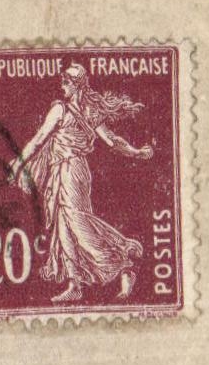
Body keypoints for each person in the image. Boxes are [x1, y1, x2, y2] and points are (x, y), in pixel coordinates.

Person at [8, 61, 153, 305]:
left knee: (77, 222)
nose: (62, 85)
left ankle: (122, 263)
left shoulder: (64, 110)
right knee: (64, 226)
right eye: (63, 81)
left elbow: (40, 139)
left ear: (77, 85)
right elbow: (110, 140)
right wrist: (136, 152)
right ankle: (75, 284)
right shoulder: (83, 110)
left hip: (71, 170)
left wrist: (17, 165)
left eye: (67, 81)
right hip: (65, 171)